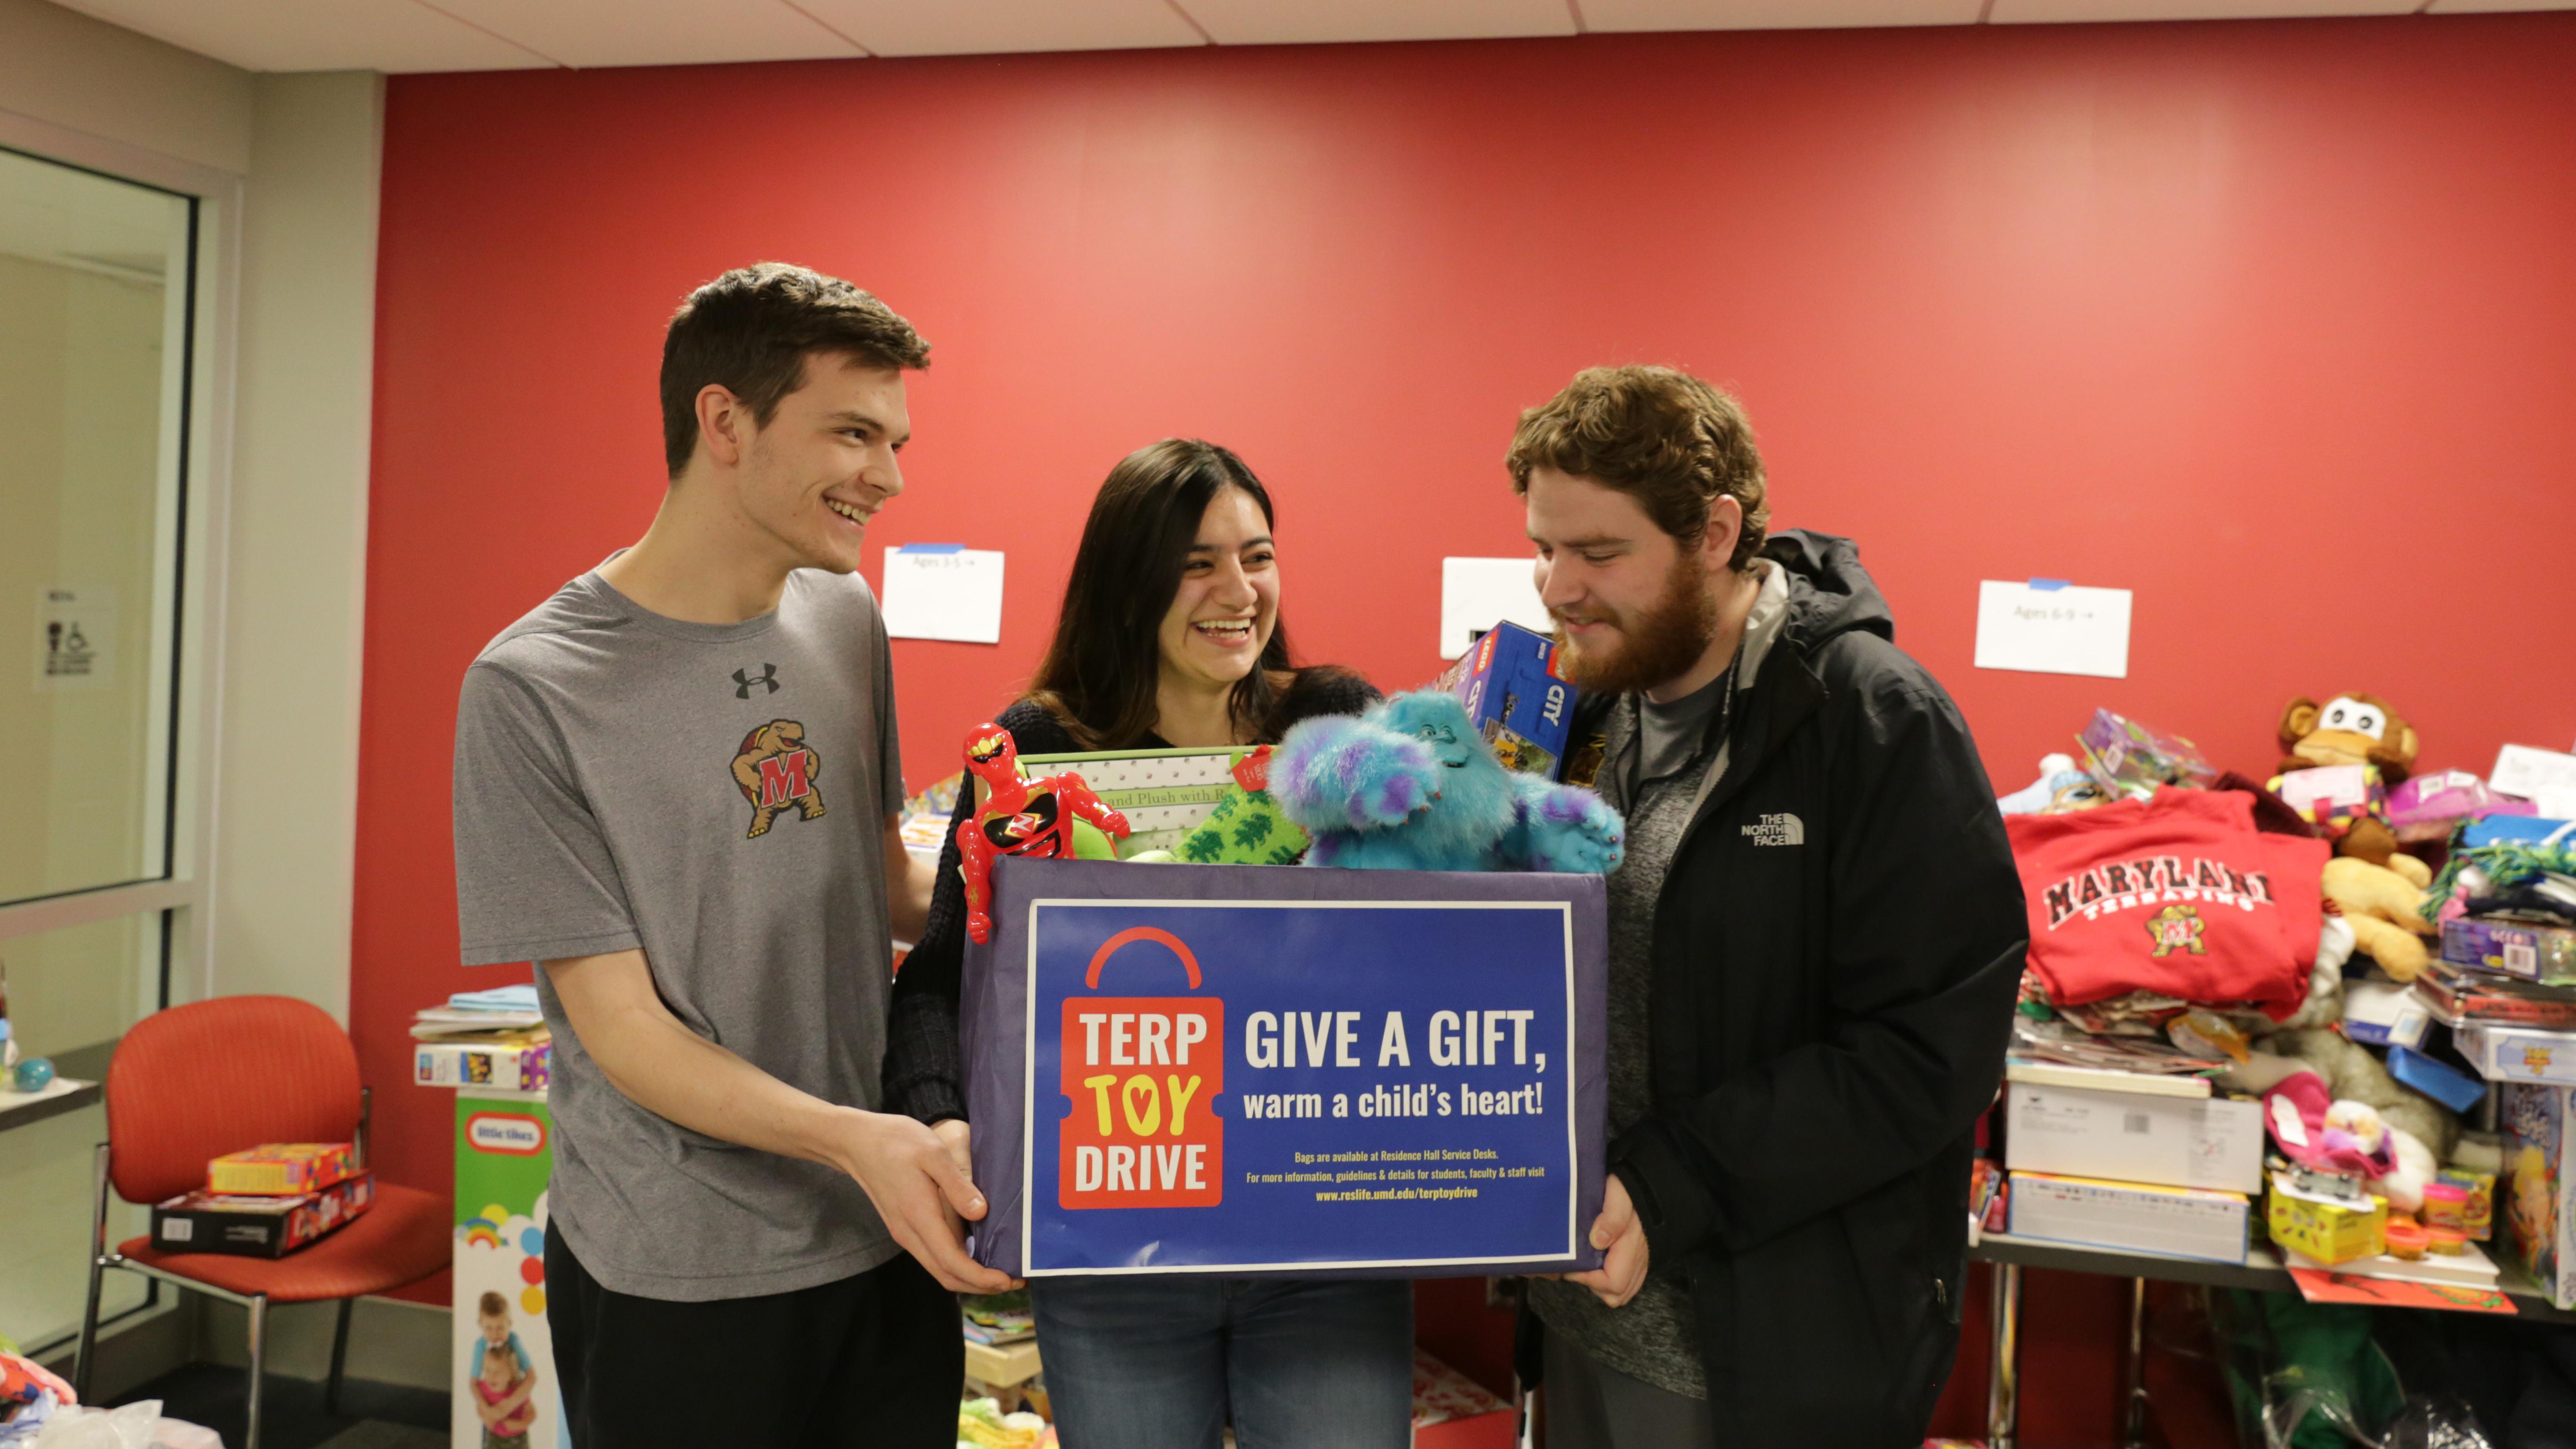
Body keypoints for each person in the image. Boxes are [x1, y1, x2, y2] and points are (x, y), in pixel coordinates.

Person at [451, 263, 1010, 1449]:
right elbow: (626, 1030)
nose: (891, 476)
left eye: (895, 438)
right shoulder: (532, 687)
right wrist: (857, 1137)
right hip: (680, 1263)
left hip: (885, 1225)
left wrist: (1059, 894)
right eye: (853, 433)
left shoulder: (841, 615)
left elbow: (878, 884)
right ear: (724, 422)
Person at [1508, 366, 2027, 1447]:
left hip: (1770, 1355)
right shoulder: (1580, 708)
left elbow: (1928, 1051)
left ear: (1713, 532)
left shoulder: (1872, 717)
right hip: (1580, 1310)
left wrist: (1672, 1178)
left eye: (1598, 553)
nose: (1556, 587)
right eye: (1542, 548)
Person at [884, 438, 1410, 1449]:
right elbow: (942, 975)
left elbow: (1411, 946)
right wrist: (940, 1116)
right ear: (1129, 584)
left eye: (1257, 556)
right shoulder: (1036, 744)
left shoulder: (1331, 720)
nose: (1239, 589)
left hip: (1322, 1243)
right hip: (1119, 1246)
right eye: (1197, 562)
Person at [473, 1343, 539, 1449]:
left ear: (511, 1374)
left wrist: (518, 1425)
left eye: (498, 1372)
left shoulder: (518, 1391)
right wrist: (486, 1417)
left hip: (518, 1438)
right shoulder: (484, 1388)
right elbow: (480, 1407)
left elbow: (532, 1414)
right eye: (487, 1371)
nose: (492, 1376)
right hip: (494, 1437)